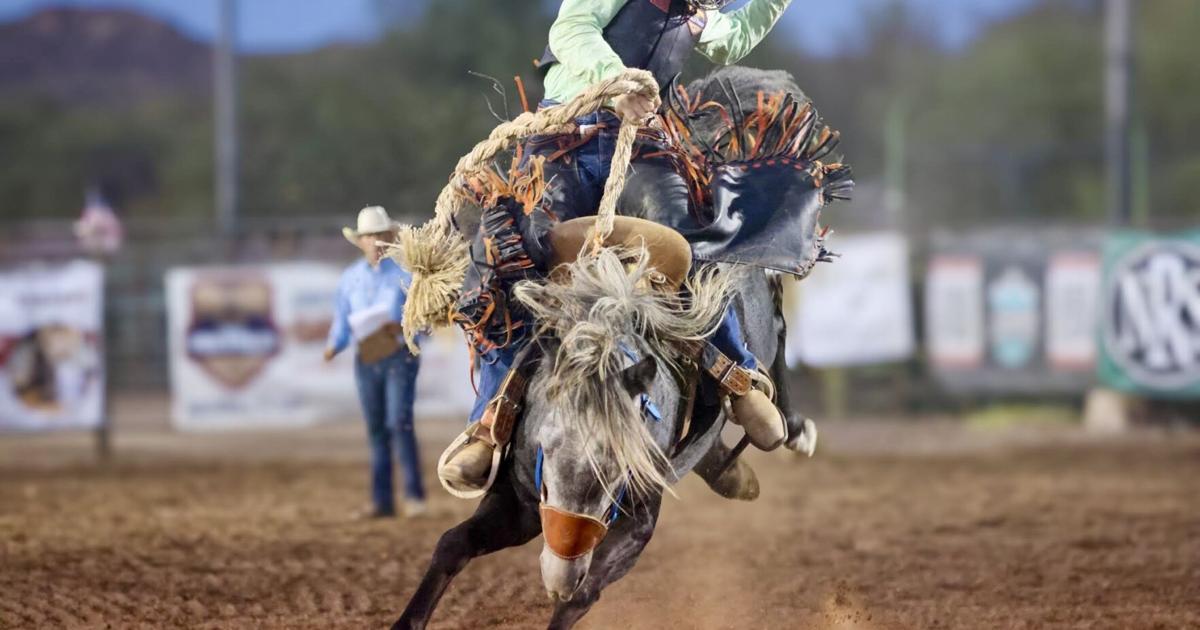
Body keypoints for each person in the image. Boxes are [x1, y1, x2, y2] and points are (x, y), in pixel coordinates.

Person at [438, 0, 815, 494]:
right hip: (563, 141)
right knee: (508, 264)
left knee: (693, 243)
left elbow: (733, 39)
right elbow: (572, 26)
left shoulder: (694, 11)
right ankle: (490, 423)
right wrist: (619, 83)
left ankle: (737, 377)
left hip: (645, 144)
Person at [326, 206, 426, 518]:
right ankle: (383, 501)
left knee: (398, 422)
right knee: (377, 429)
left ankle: (412, 496)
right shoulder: (350, 278)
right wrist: (333, 345)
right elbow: (343, 319)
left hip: (399, 354)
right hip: (367, 356)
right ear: (362, 241)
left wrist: (404, 329)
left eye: (380, 235)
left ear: (388, 237)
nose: (376, 241)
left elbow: (422, 320)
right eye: (370, 236)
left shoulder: (406, 275)